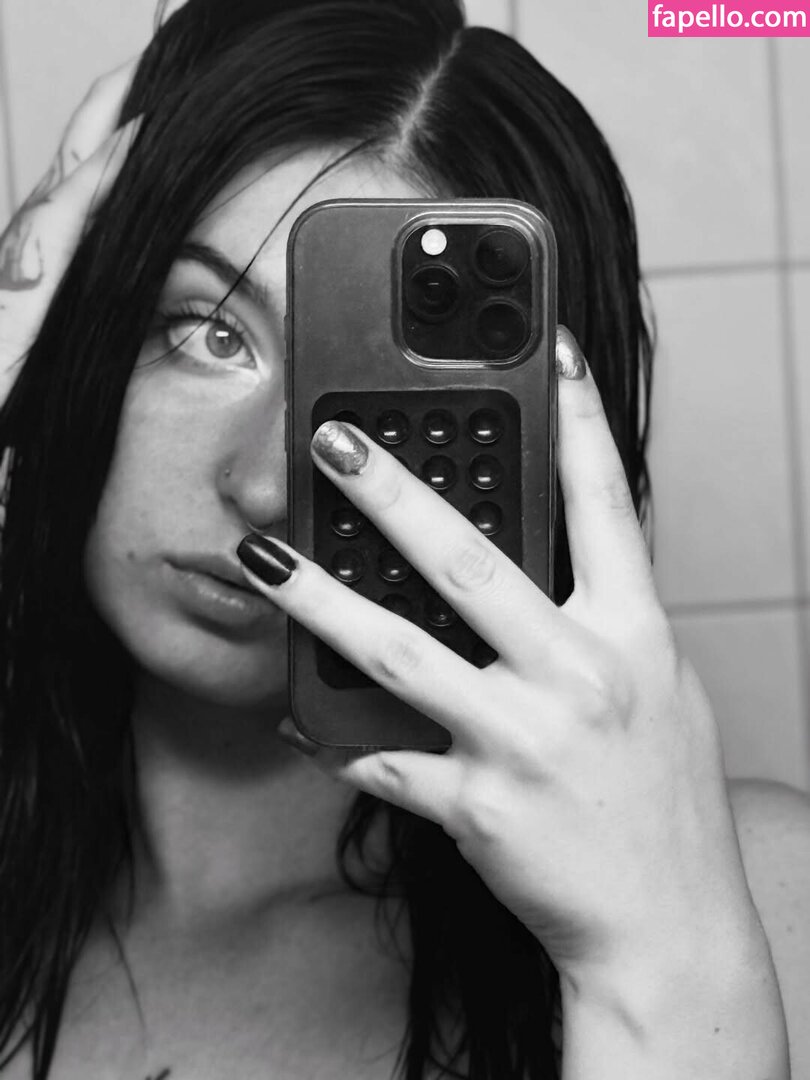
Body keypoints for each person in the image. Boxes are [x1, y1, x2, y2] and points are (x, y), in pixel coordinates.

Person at [0, 1, 807, 1077]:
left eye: (387, 407)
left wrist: (652, 966)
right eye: (206, 332)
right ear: (74, 336)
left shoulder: (753, 899)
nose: (262, 486)